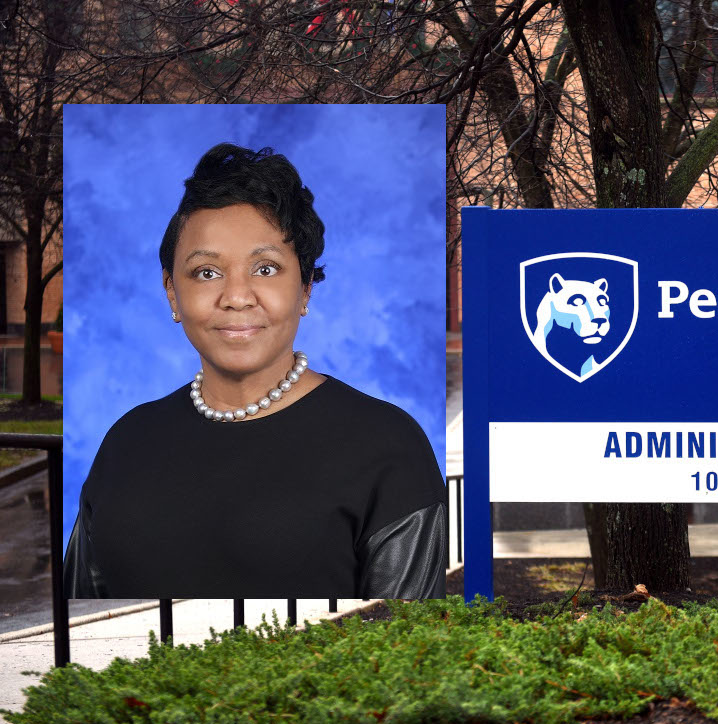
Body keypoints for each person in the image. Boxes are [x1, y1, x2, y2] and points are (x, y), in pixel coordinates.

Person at [64, 143, 447, 599]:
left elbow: (409, 654)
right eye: (207, 273)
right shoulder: (125, 442)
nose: (237, 296)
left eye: (266, 268)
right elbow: (75, 630)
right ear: (172, 292)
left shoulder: (389, 447)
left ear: (305, 288)